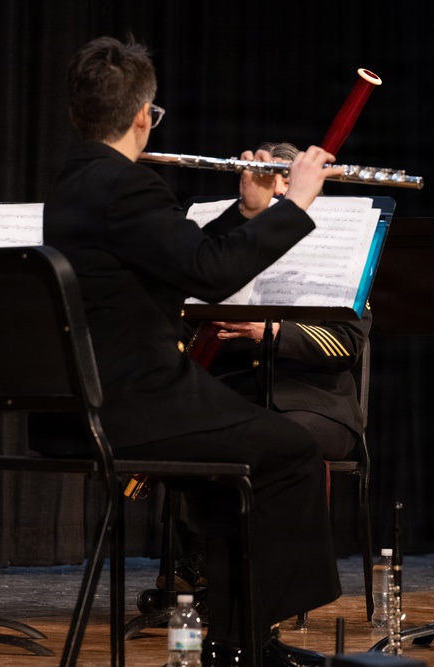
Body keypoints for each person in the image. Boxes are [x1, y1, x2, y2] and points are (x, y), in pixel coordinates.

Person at [42, 36, 345, 667]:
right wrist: (296, 201)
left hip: (81, 404)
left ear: (78, 116)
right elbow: (209, 276)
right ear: (141, 118)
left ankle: (236, 640)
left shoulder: (76, 185)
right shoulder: (127, 185)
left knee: (227, 475)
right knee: (290, 451)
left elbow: (178, 259)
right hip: (136, 404)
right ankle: (249, 640)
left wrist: (247, 210)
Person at [160, 141, 371, 594]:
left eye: (284, 189)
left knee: (276, 441)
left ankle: (273, 577)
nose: (276, 202)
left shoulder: (339, 249)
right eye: (267, 189)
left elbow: (346, 345)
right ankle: (203, 561)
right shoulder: (235, 247)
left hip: (314, 404)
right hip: (236, 395)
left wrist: (271, 331)